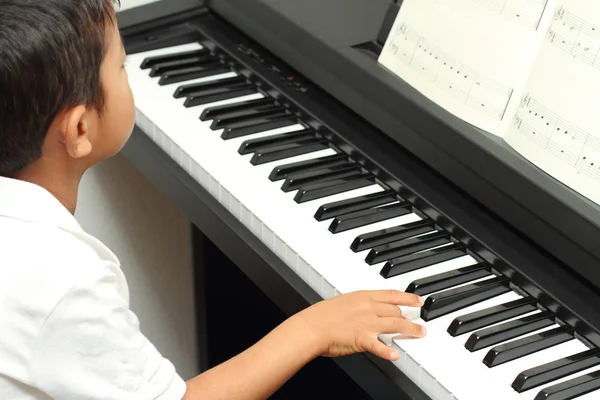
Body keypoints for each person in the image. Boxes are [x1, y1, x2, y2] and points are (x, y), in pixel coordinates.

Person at [0, 1, 427, 399]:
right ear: (78, 131)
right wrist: (313, 329)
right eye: (122, 67)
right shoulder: (64, 280)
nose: (127, 73)